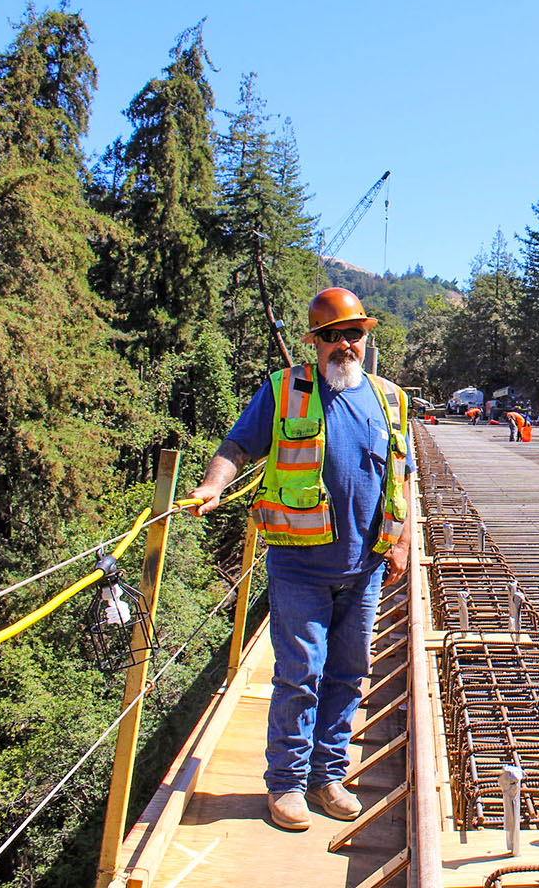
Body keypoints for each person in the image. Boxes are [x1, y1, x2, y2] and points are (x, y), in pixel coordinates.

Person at [188, 287, 415, 833]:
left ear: (366, 337)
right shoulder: (284, 391)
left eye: (353, 334)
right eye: (331, 336)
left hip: (365, 566)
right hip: (299, 563)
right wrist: (211, 485)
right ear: (315, 342)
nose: (344, 345)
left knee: (347, 673)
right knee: (299, 673)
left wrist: (402, 542)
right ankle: (286, 785)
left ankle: (326, 776)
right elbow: (236, 447)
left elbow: (403, 473)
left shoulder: (390, 398)